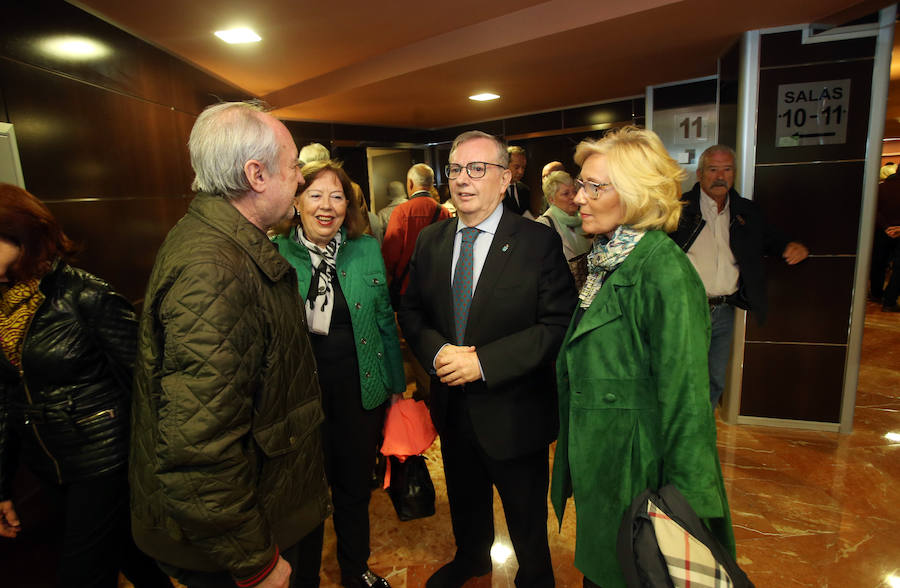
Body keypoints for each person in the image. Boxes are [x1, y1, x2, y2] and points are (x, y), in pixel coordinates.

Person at [130, 101, 331, 588]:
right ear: (256, 174)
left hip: (264, 510)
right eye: (292, 168)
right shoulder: (214, 270)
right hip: (241, 543)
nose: (300, 181)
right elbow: (198, 449)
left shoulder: (224, 244)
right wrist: (256, 562)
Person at [550, 127, 735, 588]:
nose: (579, 198)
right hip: (608, 468)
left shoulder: (664, 271)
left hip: (638, 477)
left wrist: (691, 512)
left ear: (634, 195)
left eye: (595, 187)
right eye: (581, 184)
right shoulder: (611, 258)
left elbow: (688, 405)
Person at [398, 131, 576, 588]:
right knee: (465, 497)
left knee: (525, 515)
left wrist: (485, 362)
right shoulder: (431, 240)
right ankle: (472, 558)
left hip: (514, 411)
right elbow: (412, 309)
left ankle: (535, 577)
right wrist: (437, 351)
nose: (463, 179)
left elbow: (557, 325)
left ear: (503, 180)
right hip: (454, 409)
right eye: (455, 169)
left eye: (477, 169)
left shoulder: (537, 242)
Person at [0, 184, 172, 588]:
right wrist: (2, 484)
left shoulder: (86, 296)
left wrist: (156, 468)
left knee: (81, 574)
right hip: (49, 464)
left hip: (104, 461)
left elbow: (146, 382)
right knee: (133, 556)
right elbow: (7, 397)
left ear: (22, 236)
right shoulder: (4, 305)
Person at [272, 160, 405, 588]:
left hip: (359, 391)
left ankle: (355, 568)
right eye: (315, 195)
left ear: (348, 205)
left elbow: (385, 317)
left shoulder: (364, 248)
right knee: (304, 496)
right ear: (296, 201)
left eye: (337, 196)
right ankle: (303, 576)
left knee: (352, 487)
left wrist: (396, 388)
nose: (327, 206)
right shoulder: (274, 252)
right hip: (298, 398)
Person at [669, 144, 809, 406]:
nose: (720, 176)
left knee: (714, 379)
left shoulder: (747, 211)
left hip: (724, 311)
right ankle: (678, 436)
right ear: (699, 174)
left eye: (727, 169)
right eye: (713, 169)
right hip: (685, 309)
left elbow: (768, 237)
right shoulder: (679, 210)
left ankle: (701, 433)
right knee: (681, 377)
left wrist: (789, 245)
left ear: (734, 174)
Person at [382, 164, 451, 305]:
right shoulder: (444, 212)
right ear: (431, 184)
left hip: (407, 287)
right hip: (436, 287)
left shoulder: (401, 212)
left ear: (410, 183)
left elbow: (390, 255)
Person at [535, 170, 592, 262]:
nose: (573, 197)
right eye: (566, 194)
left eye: (574, 191)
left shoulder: (584, 218)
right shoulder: (543, 225)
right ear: (551, 199)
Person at [872, 172, 900, 311]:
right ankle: (889, 301)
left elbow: (874, 210)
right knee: (898, 268)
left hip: (881, 231)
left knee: (879, 263)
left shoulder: (881, 188)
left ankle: (876, 294)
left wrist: (886, 227)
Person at [503, 145, 532, 217]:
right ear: (505, 165)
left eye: (523, 168)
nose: (521, 172)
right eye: (517, 167)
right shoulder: (495, 189)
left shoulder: (525, 189)